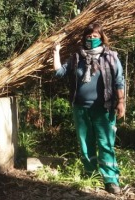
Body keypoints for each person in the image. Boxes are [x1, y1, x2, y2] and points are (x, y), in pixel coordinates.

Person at [52, 22, 125, 194]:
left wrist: (121, 102)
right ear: (84, 38)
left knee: (106, 143)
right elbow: (59, 72)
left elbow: (119, 80)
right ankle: (90, 173)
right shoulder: (77, 57)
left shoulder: (111, 57)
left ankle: (111, 180)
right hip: (80, 108)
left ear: (101, 38)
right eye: (88, 36)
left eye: (95, 36)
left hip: (104, 109)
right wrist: (55, 53)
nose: (91, 39)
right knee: (85, 143)